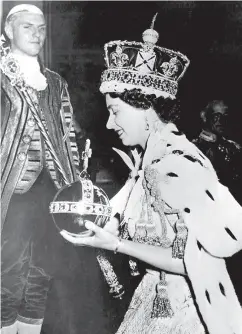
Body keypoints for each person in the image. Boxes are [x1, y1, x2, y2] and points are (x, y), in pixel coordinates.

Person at [61, 15, 242, 334]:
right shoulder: (149, 158)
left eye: (115, 112)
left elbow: (190, 260)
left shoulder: (173, 162)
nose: (108, 124)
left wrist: (116, 244)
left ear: (145, 110)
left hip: (182, 311)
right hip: (153, 297)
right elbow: (114, 214)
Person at [1, 4, 81, 334]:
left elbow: (67, 134)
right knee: (9, 268)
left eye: (41, 28)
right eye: (27, 27)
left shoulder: (55, 82)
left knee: (43, 268)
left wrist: (75, 182)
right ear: (9, 32)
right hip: (12, 188)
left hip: (53, 186)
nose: (37, 34)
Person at [193, 100, 242, 204]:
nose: (222, 120)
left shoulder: (234, 148)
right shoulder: (191, 147)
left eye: (225, 116)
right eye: (217, 116)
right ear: (204, 116)